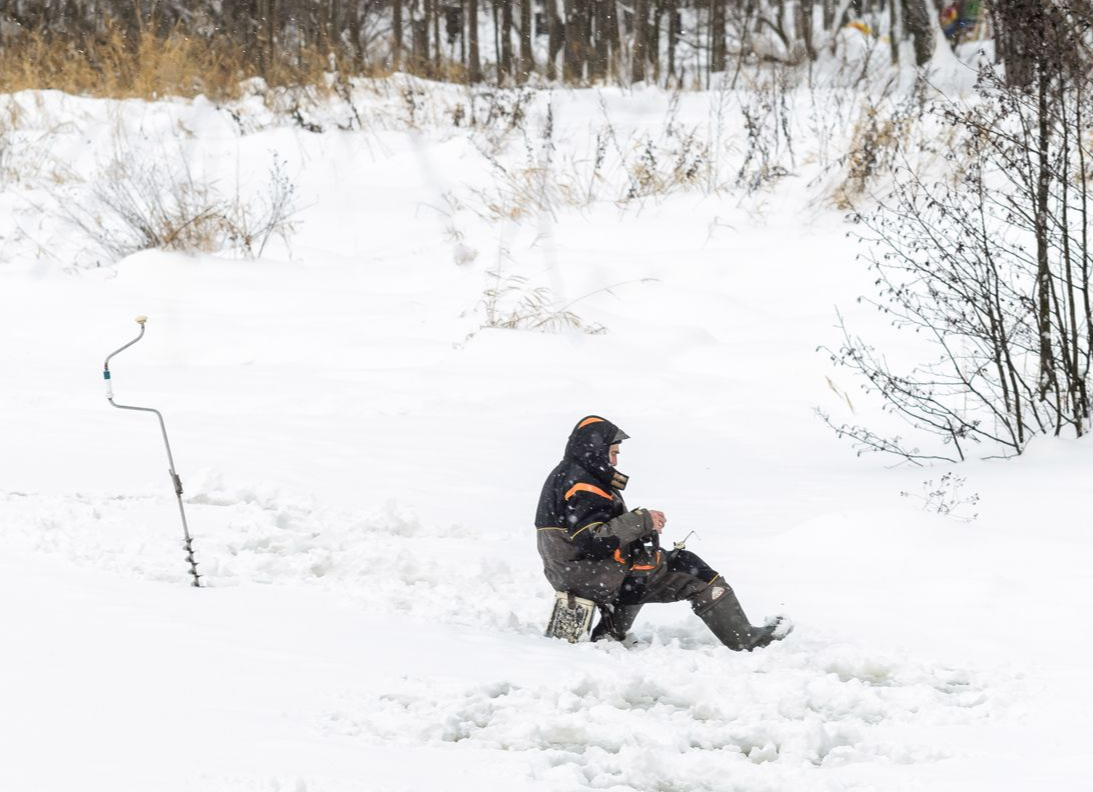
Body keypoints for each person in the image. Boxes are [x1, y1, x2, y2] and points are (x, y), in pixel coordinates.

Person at [535, 415, 789, 651]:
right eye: (612, 453)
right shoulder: (583, 484)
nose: (615, 461)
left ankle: (610, 635)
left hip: (571, 573)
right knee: (688, 568)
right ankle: (745, 639)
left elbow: (588, 534)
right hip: (592, 574)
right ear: (595, 449)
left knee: (644, 560)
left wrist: (639, 528)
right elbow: (592, 540)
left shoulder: (565, 475)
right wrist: (642, 521)